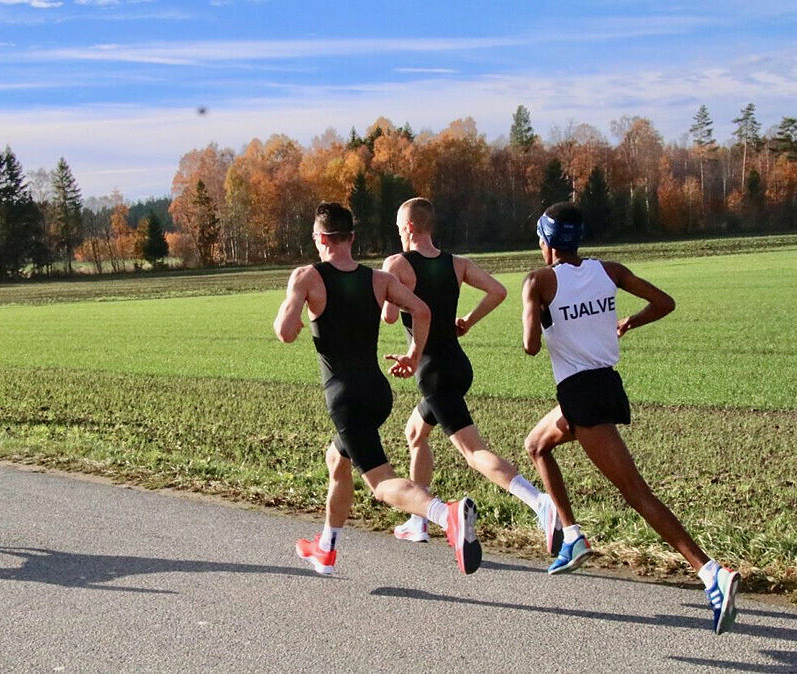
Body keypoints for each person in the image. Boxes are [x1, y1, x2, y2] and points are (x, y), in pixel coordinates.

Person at [521, 201, 740, 634]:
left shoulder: (539, 280)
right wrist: (629, 322)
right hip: (604, 386)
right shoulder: (610, 271)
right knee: (537, 445)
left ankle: (710, 571)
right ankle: (572, 535)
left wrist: (538, 311)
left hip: (581, 395)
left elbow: (529, 346)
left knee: (636, 492)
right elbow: (664, 302)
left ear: (545, 241)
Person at [273, 201, 482, 577]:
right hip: (378, 394)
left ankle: (445, 514)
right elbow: (422, 311)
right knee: (337, 460)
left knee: (381, 484)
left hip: (346, 399)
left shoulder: (306, 277)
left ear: (320, 239)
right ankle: (326, 547)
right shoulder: (380, 279)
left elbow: (286, 333)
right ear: (351, 238)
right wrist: (414, 355)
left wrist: (292, 316)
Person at [382, 198, 563, 554]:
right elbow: (498, 290)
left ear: (408, 228)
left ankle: (540, 503)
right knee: (415, 433)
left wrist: (404, 302)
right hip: (458, 366)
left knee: (473, 451)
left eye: (399, 228)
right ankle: (418, 521)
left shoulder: (397, 264)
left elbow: (388, 316)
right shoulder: (457, 263)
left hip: (432, 372)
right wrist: (466, 320)